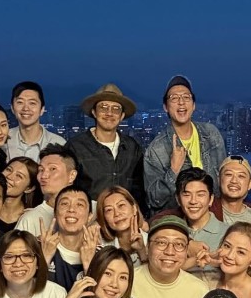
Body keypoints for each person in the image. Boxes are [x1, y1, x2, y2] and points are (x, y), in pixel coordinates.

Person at [144, 75, 227, 214]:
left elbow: (223, 177)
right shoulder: (156, 150)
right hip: (177, 220)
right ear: (165, 107)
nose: (181, 102)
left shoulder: (211, 134)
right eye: (174, 98)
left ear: (193, 105)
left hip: (213, 215)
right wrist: (173, 171)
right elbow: (153, 199)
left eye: (186, 97)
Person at [67, 83, 147, 214]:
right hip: (88, 219)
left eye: (116, 109)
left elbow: (140, 191)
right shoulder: (75, 147)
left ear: (122, 116)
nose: (109, 113)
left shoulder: (132, 147)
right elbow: (67, 189)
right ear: (94, 112)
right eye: (103, 107)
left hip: (124, 220)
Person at [131, 215, 208, 298]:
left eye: (179, 244)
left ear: (186, 251)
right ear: (148, 247)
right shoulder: (128, 281)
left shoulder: (199, 290)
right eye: (161, 243)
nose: (170, 251)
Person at [175, 167, 229, 284]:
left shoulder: (228, 234)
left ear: (211, 199)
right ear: (178, 199)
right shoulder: (171, 232)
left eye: (200, 195)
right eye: (187, 195)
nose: (193, 201)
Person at [40, 183, 96, 291]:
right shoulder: (36, 246)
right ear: (55, 213)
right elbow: (27, 294)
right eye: (65, 203)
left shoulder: (101, 254)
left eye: (79, 205)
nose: (71, 209)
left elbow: (102, 297)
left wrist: (90, 265)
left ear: (89, 216)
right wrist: (44, 259)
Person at [16, 144, 79, 237]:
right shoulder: (30, 218)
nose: (44, 176)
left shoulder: (95, 210)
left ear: (72, 175)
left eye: (52, 169)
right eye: (41, 170)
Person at [96, 186, 148, 268]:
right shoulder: (101, 247)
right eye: (109, 210)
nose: (117, 213)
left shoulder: (152, 241)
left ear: (134, 208)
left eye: (121, 205)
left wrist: (142, 252)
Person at [0, 156, 40, 232]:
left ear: (29, 188)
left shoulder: (31, 218)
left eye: (19, 176)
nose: (9, 176)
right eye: (9, 170)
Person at [211, 156, 251, 224]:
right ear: (219, 180)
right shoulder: (206, 212)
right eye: (229, 174)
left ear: (250, 184)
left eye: (241, 176)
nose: (234, 181)